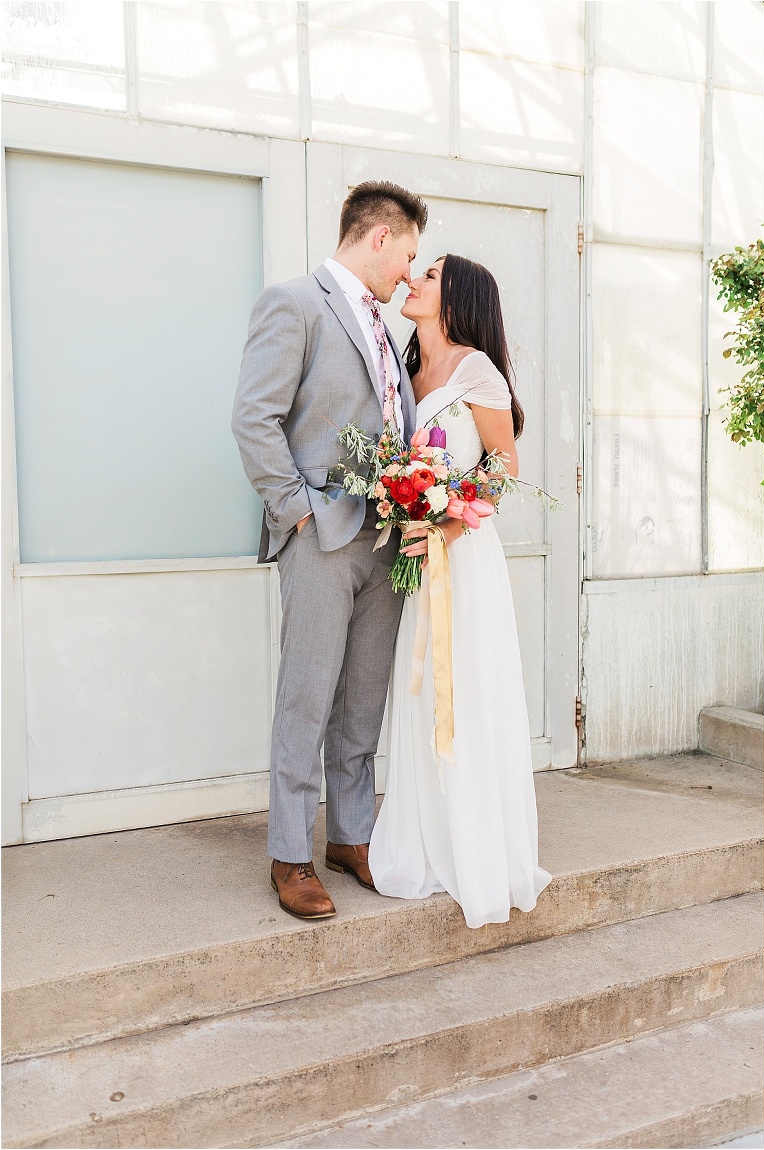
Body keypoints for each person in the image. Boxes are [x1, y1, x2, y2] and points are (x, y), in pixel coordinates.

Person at [232, 181, 427, 920]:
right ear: (379, 239)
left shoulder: (383, 328)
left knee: (363, 700)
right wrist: (298, 515)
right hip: (322, 538)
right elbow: (255, 418)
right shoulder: (296, 303)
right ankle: (290, 853)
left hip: (386, 544)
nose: (411, 272)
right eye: (408, 255)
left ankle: (352, 835)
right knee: (307, 698)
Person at [368, 254, 552, 929]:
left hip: (465, 559)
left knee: (464, 691)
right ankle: (425, 836)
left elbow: (503, 467)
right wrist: (404, 504)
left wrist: (447, 520)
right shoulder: (408, 371)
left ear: (459, 297)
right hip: (419, 558)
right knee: (419, 696)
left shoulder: (478, 368)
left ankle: (476, 847)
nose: (414, 278)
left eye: (432, 273)